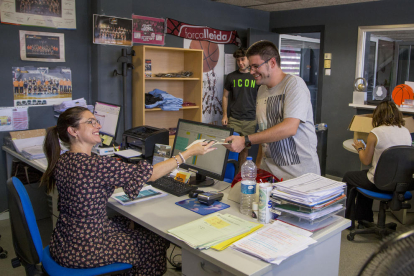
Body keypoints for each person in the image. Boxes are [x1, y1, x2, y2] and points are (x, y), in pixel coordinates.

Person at [40, 106, 216, 275]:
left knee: (127, 221)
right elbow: (151, 174)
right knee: (154, 240)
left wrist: (122, 176)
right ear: (73, 131)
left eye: (96, 121)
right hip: (86, 249)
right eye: (91, 122)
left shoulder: (64, 160)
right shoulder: (95, 165)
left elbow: (92, 183)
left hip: (64, 242)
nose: (98, 126)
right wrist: (187, 153)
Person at [224, 40, 320, 180]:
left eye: (256, 66)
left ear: (272, 63)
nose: (251, 72)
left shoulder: (294, 85)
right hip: (270, 175)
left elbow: (290, 128)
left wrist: (245, 140)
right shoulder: (262, 89)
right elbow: (264, 132)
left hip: (300, 177)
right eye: (251, 67)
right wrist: (258, 167)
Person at [343, 101, 412, 227]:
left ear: (378, 115)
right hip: (400, 183)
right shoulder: (406, 132)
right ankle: (364, 219)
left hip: (380, 183)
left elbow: (366, 161)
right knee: (363, 177)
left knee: (349, 177)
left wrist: (360, 148)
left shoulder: (376, 133)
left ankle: (348, 221)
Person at [222, 48, 258, 171]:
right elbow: (225, 96)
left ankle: (241, 177)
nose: (240, 63)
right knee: (231, 150)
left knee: (245, 151)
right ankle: (230, 177)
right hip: (234, 119)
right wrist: (225, 115)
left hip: (250, 120)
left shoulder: (256, 77)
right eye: (238, 61)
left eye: (242, 59)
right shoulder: (231, 77)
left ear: (248, 59)